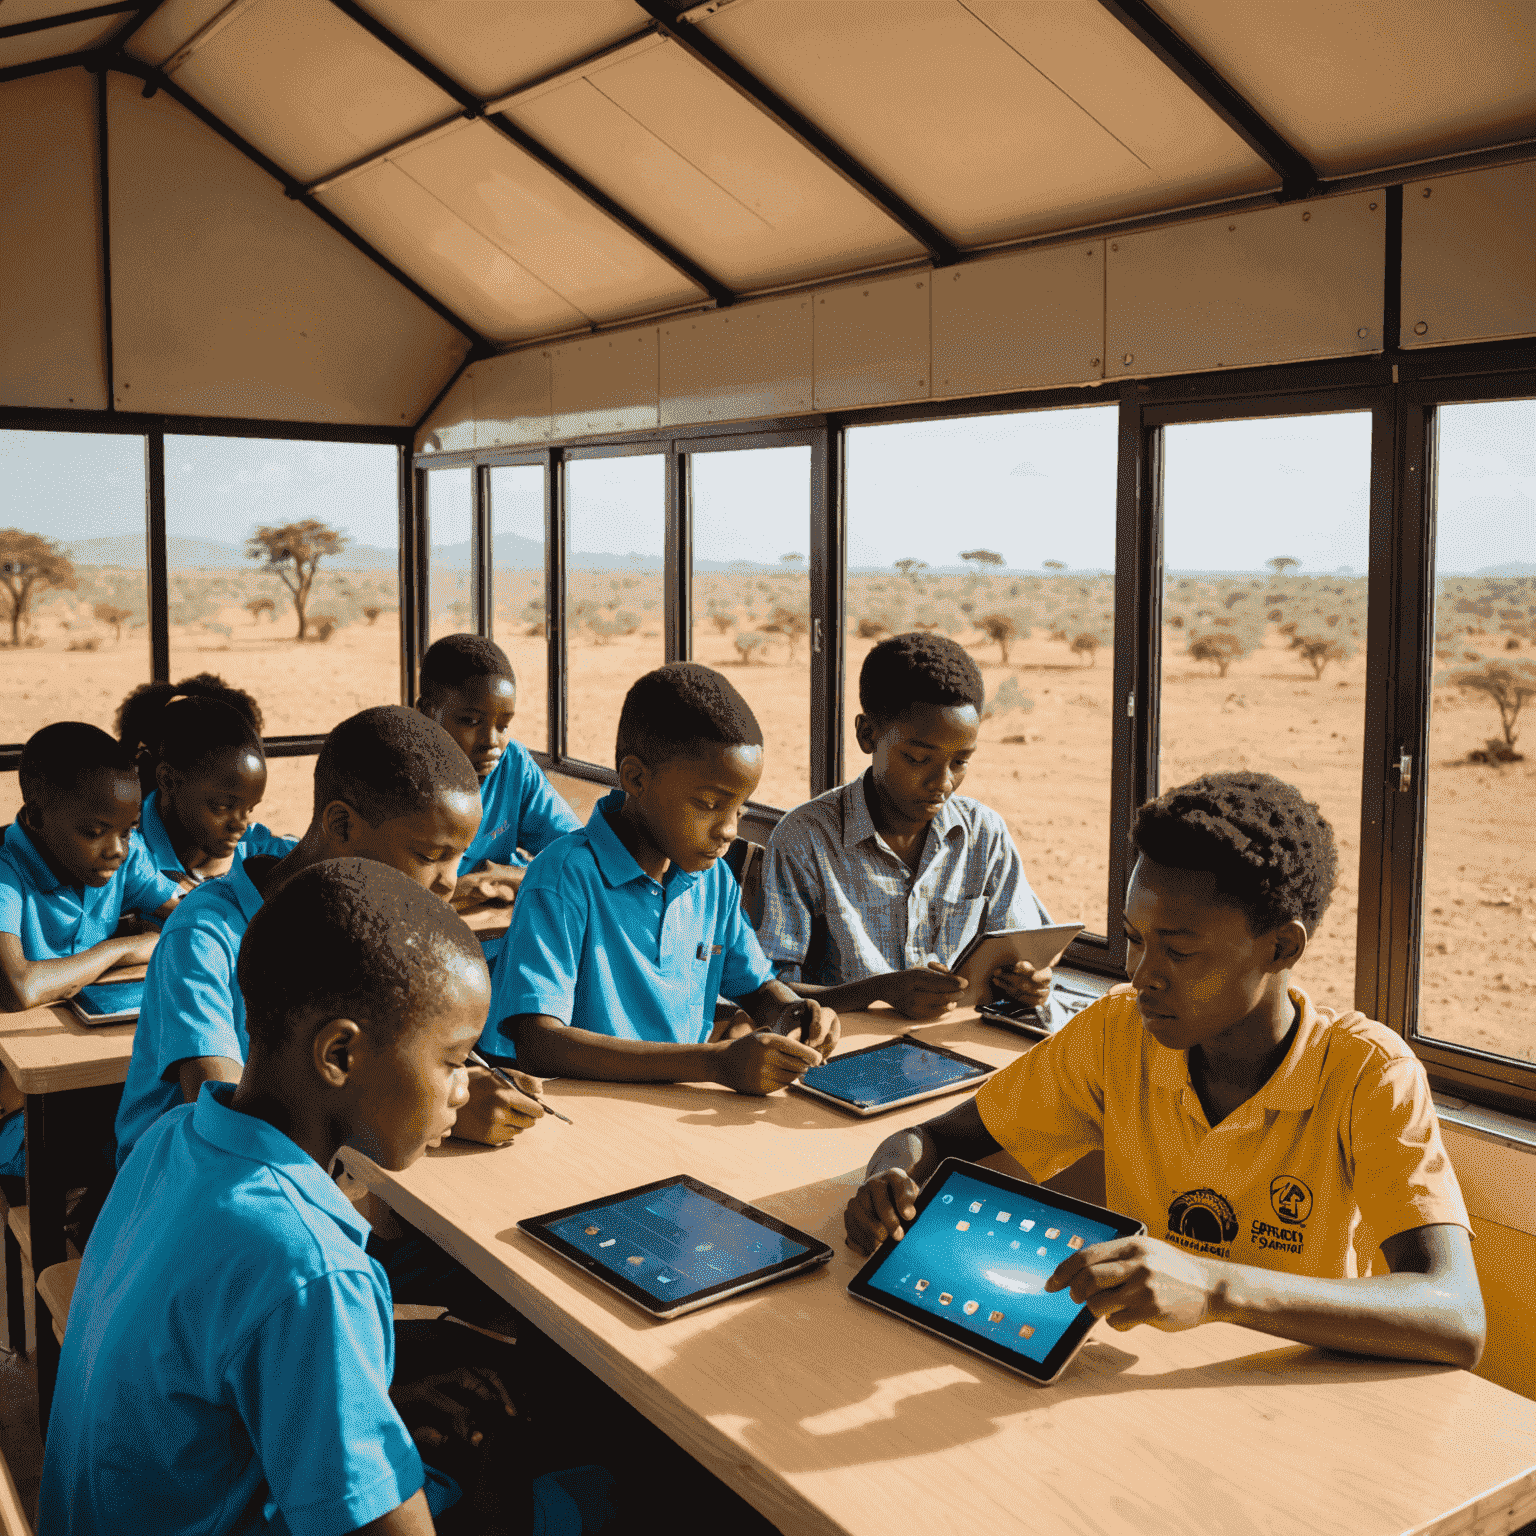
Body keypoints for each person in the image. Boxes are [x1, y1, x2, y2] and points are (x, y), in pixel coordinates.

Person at [844, 771, 1486, 1367]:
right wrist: (886, 1177)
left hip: (1292, 1383)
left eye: (1178, 951)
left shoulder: (1364, 1072)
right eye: (1132, 937)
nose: (1141, 973)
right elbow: (938, 1139)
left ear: (1281, 947)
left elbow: (1456, 1316)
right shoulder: (1118, 1032)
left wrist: (1217, 1288)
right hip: (1144, 1374)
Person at [40, 859, 530, 1535]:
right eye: (453, 1060)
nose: (463, 1089)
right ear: (338, 1055)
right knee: (567, 1486)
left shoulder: (174, 1139)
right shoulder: (309, 1268)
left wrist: (362, 1400)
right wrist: (494, 1486)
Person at [114, 705, 543, 1169]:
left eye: (459, 857)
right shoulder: (206, 933)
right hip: (190, 1191)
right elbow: (234, 1123)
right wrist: (435, 1112)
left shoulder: (371, 927)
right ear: (340, 826)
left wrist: (448, 1080)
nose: (447, 883)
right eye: (430, 854)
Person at [490, 663, 839, 1093]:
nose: (729, 830)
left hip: (674, 1109)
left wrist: (796, 1012)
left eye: (740, 809)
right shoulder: (565, 876)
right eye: (710, 805)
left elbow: (758, 988)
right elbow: (539, 1042)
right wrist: (712, 1064)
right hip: (583, 1116)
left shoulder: (713, 881)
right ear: (636, 778)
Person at [759, 631, 1054, 1021]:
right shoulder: (805, 839)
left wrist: (1031, 981)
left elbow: (1027, 950)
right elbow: (768, 993)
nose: (943, 782)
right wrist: (880, 990)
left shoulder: (984, 833)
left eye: (960, 762)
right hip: (848, 1053)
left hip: (957, 1044)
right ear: (868, 735)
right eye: (917, 759)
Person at [415, 634, 580, 965]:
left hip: (500, 945)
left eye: (503, 725)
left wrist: (499, 878)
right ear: (427, 714)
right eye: (471, 721)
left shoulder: (512, 764)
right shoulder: (397, 779)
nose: (491, 742)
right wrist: (468, 887)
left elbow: (578, 855)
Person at [116, 673, 283, 884]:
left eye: (249, 809)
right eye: (223, 806)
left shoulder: (254, 845)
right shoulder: (122, 856)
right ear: (168, 780)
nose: (241, 824)